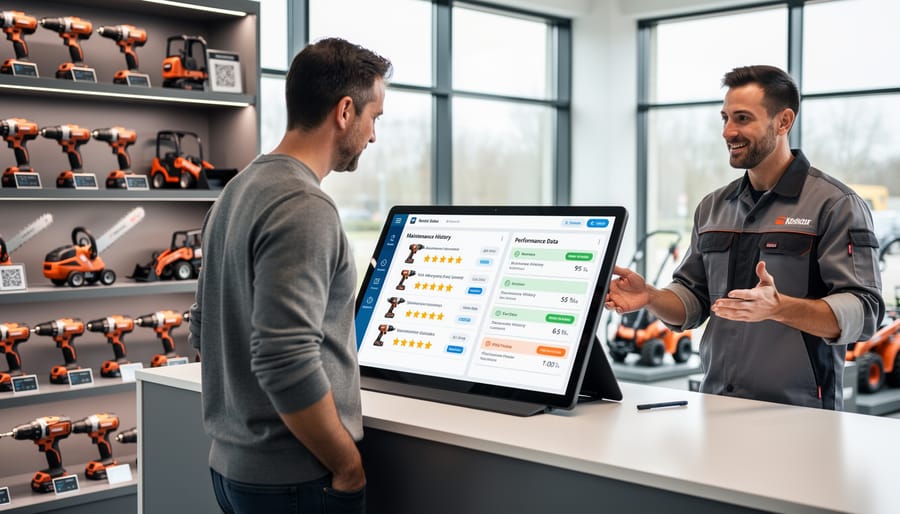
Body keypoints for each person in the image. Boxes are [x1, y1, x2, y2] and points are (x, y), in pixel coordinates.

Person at [188, 38, 391, 513]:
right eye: (374, 117)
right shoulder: (305, 207)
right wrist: (347, 466)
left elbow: (203, 327)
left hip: (233, 468)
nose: (374, 135)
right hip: (295, 479)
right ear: (345, 111)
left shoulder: (238, 191)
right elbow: (285, 360)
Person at [606, 65, 884, 410]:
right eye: (724, 118)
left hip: (800, 415)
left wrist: (781, 308)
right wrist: (649, 296)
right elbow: (692, 299)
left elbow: (864, 311)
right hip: (716, 406)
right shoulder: (713, 207)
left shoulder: (835, 205)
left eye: (741, 118)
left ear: (783, 122)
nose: (728, 131)